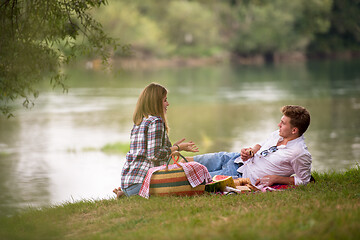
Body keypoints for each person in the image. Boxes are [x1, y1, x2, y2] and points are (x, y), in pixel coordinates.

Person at [185, 105, 312, 188]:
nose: (278, 124)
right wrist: (251, 150)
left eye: (283, 123)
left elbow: (304, 180)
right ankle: (165, 165)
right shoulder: (278, 134)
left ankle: (165, 181)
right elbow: (260, 145)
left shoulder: (299, 153)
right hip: (235, 158)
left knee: (191, 178)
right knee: (190, 161)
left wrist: (277, 178)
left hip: (239, 175)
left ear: (294, 130)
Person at [114, 83, 199, 198]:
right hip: (142, 183)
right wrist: (178, 148)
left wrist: (173, 148)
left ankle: (127, 194)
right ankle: (134, 194)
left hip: (128, 182)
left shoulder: (140, 122)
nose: (168, 104)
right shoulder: (156, 122)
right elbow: (155, 154)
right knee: (196, 177)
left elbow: (150, 153)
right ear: (156, 103)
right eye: (165, 100)